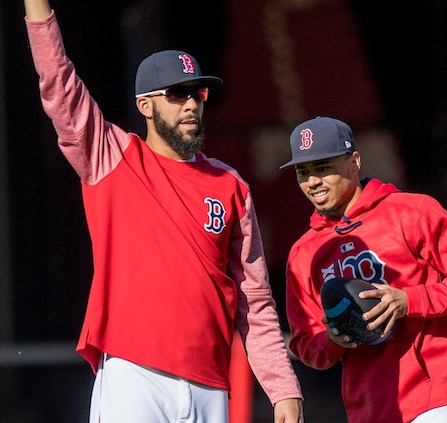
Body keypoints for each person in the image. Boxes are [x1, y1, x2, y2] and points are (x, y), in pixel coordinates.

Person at [22, 0, 304, 422]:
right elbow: (59, 84)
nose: (191, 103)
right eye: (177, 93)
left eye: (198, 92)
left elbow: (255, 299)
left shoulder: (230, 186)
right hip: (135, 374)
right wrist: (36, 8)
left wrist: (283, 389)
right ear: (146, 105)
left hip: (210, 382)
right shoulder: (111, 156)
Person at [280, 116, 447, 423]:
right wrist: (333, 340)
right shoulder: (304, 252)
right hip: (367, 410)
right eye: (302, 171)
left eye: (323, 167)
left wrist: (409, 300)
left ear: (354, 161)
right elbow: (306, 343)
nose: (312, 181)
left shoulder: (412, 212)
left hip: (433, 399)